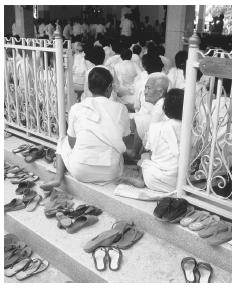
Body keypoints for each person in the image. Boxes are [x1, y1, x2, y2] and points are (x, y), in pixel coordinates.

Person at [40, 67, 130, 190]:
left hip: (80, 171)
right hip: (110, 172)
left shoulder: (77, 108)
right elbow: (124, 142)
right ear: (109, 88)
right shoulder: (121, 109)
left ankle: (58, 178)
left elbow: (71, 143)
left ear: (89, 87)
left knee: (62, 140)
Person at [119, 88, 184, 191]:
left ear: (165, 109)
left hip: (155, 180)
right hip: (183, 183)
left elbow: (148, 148)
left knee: (145, 157)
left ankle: (141, 178)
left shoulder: (157, 128)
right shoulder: (193, 130)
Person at [129, 73, 170, 159]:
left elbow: (152, 136)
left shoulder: (159, 107)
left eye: (149, 88)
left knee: (141, 121)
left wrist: (144, 151)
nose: (145, 92)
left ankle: (135, 153)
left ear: (161, 92)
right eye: (145, 88)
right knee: (141, 120)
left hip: (162, 153)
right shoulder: (160, 103)